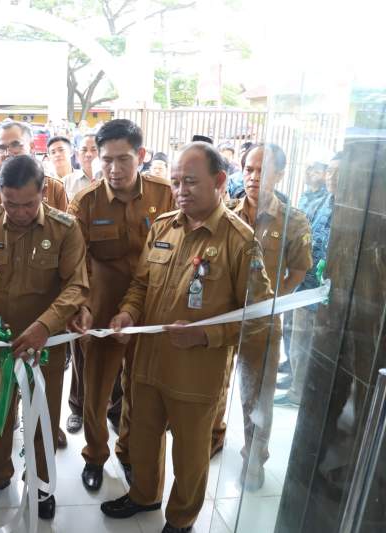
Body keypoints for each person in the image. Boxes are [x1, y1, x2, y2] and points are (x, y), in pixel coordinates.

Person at [100, 141, 274, 533]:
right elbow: (141, 286)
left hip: (196, 375)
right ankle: (143, 495)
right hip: (147, 365)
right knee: (142, 439)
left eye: (190, 182)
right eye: (176, 181)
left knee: (190, 454)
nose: (180, 190)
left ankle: (181, 520)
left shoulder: (239, 241)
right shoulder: (163, 228)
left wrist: (206, 335)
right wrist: (127, 312)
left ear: (219, 181)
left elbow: (259, 316)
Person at [0, 154, 88, 518]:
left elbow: (76, 285)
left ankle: (42, 485)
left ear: (44, 191)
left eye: (28, 204)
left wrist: (45, 325)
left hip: (44, 348)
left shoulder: (64, 229)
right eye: (10, 204)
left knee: (42, 417)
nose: (19, 212)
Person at [67, 119, 175, 492]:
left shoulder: (166, 195)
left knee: (141, 390)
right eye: (106, 160)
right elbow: (75, 263)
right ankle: (95, 455)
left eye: (123, 159)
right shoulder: (86, 202)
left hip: (152, 308)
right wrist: (79, 306)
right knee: (96, 391)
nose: (113, 169)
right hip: (102, 309)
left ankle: (128, 453)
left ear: (141, 156)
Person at [211, 143, 312, 488]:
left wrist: (273, 302)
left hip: (263, 324)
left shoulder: (293, 220)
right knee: (215, 385)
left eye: (263, 170)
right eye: (249, 169)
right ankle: (213, 437)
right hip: (223, 318)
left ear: (280, 174)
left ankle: (254, 458)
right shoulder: (227, 212)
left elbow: (299, 269)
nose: (254, 177)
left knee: (258, 396)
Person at [276, 159, 334, 407]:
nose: (332, 177)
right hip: (305, 282)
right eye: (331, 171)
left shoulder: (342, 206)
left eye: (333, 172)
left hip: (322, 288)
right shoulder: (322, 202)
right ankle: (297, 384)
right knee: (296, 338)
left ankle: (301, 392)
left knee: (308, 343)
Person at [0, 121, 68, 215]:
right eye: (2, 148)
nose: (8, 153)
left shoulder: (55, 189)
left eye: (15, 145)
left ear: (31, 146)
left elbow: (63, 228)